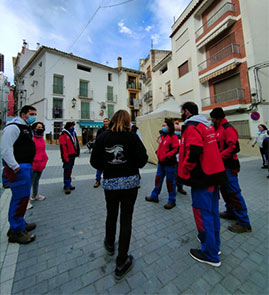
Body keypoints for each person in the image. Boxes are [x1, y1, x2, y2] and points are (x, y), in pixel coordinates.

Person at [90, 110, 148, 281]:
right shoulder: (132, 137)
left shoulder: (102, 137)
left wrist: (108, 166)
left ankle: (109, 243)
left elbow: (94, 162)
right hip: (130, 183)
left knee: (111, 213)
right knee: (126, 219)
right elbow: (143, 160)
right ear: (128, 121)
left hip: (110, 184)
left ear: (113, 119)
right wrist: (130, 164)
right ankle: (122, 261)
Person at [178, 102, 227, 267]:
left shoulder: (192, 127)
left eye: (181, 111)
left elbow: (194, 150)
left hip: (202, 178)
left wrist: (184, 169)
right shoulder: (207, 126)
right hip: (214, 175)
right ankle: (215, 246)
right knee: (212, 213)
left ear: (186, 112)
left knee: (202, 214)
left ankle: (210, 254)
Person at [210, 107, 252, 233]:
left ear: (217, 118)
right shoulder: (218, 129)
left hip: (229, 166)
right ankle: (231, 212)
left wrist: (219, 156)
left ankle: (244, 223)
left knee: (234, 193)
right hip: (222, 166)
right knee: (225, 191)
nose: (211, 121)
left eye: (212, 118)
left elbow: (234, 147)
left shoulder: (228, 129)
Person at [1, 105, 37, 244]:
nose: (33, 116)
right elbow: (5, 149)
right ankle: (16, 231)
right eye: (31, 113)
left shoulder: (26, 128)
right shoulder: (13, 127)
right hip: (19, 168)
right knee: (19, 199)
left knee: (23, 198)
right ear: (23, 114)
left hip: (26, 166)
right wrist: (15, 167)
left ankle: (20, 224)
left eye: (34, 113)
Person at [145, 119, 179, 209]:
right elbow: (162, 146)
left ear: (169, 126)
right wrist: (158, 152)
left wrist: (167, 156)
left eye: (165, 125)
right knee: (158, 180)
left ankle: (172, 201)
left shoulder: (173, 137)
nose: (163, 127)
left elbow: (176, 149)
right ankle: (154, 196)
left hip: (170, 164)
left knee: (170, 183)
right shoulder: (164, 136)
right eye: (163, 125)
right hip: (161, 164)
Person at [59, 121, 80, 195]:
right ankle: (66, 186)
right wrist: (65, 157)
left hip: (73, 155)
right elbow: (63, 147)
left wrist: (77, 153)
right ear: (68, 127)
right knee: (67, 171)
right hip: (67, 156)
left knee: (70, 170)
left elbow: (76, 143)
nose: (73, 128)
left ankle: (69, 183)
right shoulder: (63, 134)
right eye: (71, 127)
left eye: (73, 126)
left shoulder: (73, 134)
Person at [30, 122, 48, 201]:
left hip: (40, 164)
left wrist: (45, 159)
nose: (40, 129)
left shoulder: (41, 139)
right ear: (34, 129)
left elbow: (42, 150)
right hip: (33, 164)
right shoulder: (31, 139)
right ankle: (26, 201)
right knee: (30, 183)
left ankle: (35, 195)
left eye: (41, 127)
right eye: (38, 127)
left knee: (36, 181)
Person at [94, 118, 110, 188]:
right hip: (101, 151)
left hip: (109, 151)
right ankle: (98, 180)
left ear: (109, 122)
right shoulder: (100, 130)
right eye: (104, 121)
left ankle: (107, 180)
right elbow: (97, 141)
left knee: (108, 167)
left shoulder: (112, 130)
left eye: (106, 121)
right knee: (99, 167)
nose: (105, 123)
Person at [174, 120, 187, 195]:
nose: (177, 132)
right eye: (176, 130)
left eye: (178, 130)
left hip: (180, 160)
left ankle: (180, 187)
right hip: (174, 160)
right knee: (174, 175)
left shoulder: (182, 138)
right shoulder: (172, 138)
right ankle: (174, 188)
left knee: (179, 174)